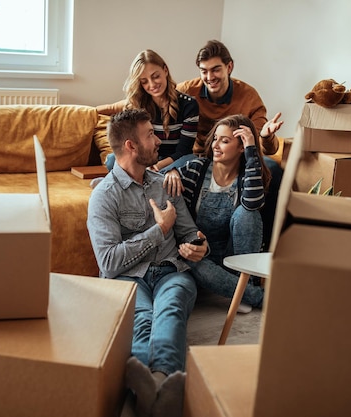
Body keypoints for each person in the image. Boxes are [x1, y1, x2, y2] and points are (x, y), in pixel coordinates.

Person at [87, 109, 208, 417]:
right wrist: (159, 231)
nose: (158, 141)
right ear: (130, 146)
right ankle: (161, 391)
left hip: (172, 272)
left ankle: (151, 384)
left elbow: (187, 232)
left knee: (170, 311)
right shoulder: (104, 196)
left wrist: (199, 245)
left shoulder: (164, 184)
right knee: (142, 318)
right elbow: (110, 262)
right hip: (127, 278)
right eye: (150, 135)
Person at [177, 40, 283, 250]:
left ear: (229, 67)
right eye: (204, 71)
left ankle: (266, 245)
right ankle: (186, 239)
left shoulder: (248, 95)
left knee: (273, 169)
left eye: (215, 69)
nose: (210, 77)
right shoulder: (188, 90)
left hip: (239, 157)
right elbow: (153, 101)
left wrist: (265, 135)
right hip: (200, 156)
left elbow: (267, 149)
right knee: (176, 169)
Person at [164, 114, 270, 312]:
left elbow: (253, 202)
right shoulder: (197, 169)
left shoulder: (248, 176)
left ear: (241, 148)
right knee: (191, 262)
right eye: (215, 139)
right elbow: (154, 180)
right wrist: (172, 170)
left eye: (225, 141)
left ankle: (243, 284)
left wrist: (252, 150)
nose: (216, 145)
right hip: (201, 256)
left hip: (233, 257)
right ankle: (256, 296)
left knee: (248, 214)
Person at [97, 49, 199, 174]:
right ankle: (155, 179)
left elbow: (184, 151)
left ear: (165, 70)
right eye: (144, 81)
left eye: (156, 76)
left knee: (193, 161)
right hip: (147, 158)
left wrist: (158, 166)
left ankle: (148, 179)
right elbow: (132, 147)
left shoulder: (189, 105)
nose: (152, 85)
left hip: (174, 160)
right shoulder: (137, 104)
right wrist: (148, 165)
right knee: (112, 160)